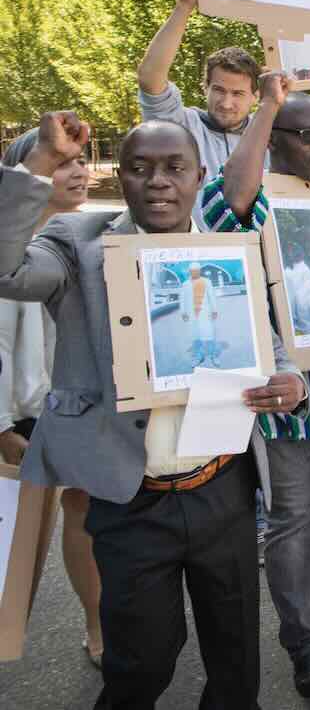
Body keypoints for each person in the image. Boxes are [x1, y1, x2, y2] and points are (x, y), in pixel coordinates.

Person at [0, 111, 307, 708]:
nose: (158, 181)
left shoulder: (229, 253)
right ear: (123, 177)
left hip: (223, 490)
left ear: (199, 178)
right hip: (130, 500)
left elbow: (269, 346)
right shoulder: (77, 245)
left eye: (175, 168)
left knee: (237, 660)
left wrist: (288, 380)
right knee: (140, 664)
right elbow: (5, 269)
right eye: (139, 169)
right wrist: (39, 160)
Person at [212, 74, 310, 697]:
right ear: (273, 139)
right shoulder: (254, 198)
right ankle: (301, 640)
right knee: (291, 515)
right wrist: (270, 101)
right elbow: (231, 197)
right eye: (309, 135)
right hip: (283, 387)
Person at [0, 130, 103, 668]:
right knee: (23, 538)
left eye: (81, 161)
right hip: (28, 413)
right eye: (61, 163)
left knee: (83, 505)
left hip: (83, 402)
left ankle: (100, 620)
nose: (78, 171)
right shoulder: (9, 250)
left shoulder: (95, 234)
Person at [137, 0, 310, 177]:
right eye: (218, 90)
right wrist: (184, 6)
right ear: (205, 87)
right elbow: (150, 78)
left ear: (255, 96)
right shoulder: (181, 127)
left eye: (238, 94)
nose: (226, 103)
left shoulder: (271, 130)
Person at [179, 262, 220, 367]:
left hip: (205, 313)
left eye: (196, 271)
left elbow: (212, 296)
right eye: (192, 271)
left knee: (209, 336)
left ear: (199, 271)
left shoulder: (207, 282)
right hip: (192, 315)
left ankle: (213, 356)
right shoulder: (185, 284)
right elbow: (182, 299)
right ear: (189, 272)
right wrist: (183, 312)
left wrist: (214, 310)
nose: (194, 273)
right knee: (195, 337)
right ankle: (198, 357)